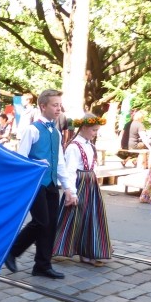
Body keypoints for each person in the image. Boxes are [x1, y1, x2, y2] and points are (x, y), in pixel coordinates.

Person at [4, 89, 77, 279]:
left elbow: (60, 161)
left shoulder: (56, 133)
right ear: (42, 106)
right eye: (54, 105)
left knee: (50, 224)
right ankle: (12, 250)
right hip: (36, 184)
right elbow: (21, 159)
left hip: (51, 183)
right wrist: (36, 164)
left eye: (60, 105)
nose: (58, 108)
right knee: (41, 221)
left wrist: (68, 188)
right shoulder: (32, 130)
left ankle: (42, 265)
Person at [53, 114, 112, 266]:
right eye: (93, 130)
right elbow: (70, 171)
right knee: (72, 215)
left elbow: (92, 166)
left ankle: (88, 251)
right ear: (84, 127)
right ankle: (59, 248)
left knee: (91, 217)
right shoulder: (74, 147)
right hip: (79, 184)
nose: (95, 133)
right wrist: (71, 192)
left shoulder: (90, 145)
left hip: (90, 184)